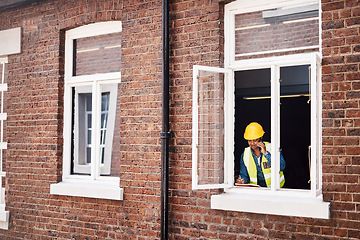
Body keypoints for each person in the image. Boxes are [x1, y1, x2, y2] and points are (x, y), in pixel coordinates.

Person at [236, 122, 285, 187]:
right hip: (258, 191)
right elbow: (244, 174)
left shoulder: (272, 148)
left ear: (260, 137)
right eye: (250, 141)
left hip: (276, 189)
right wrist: (242, 180)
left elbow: (281, 166)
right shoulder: (245, 154)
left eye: (255, 140)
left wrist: (266, 154)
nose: (252, 143)